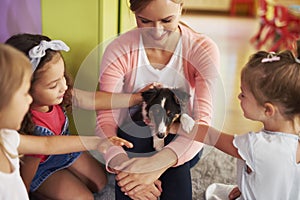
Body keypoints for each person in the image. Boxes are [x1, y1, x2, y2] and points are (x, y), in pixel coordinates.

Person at [96, 0, 221, 199]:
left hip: (182, 138)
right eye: (144, 21)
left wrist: (157, 165)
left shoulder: (201, 49)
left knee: (174, 140)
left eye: (167, 20)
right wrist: (121, 164)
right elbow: (107, 120)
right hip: (133, 142)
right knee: (133, 133)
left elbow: (202, 124)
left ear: (181, 6)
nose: (157, 32)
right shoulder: (119, 50)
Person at [4, 33, 139, 199]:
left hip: (67, 152)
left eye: (62, 77)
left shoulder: (61, 94)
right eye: (53, 85)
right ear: (26, 88)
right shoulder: (27, 125)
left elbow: (93, 99)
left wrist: (136, 98)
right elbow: (43, 151)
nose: (63, 86)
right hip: (43, 168)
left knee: (102, 182)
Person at [175, 50, 300, 199]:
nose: (239, 97)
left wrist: (174, 126)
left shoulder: (254, 145)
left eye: (243, 94)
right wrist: (248, 187)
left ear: (267, 109)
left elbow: (209, 136)